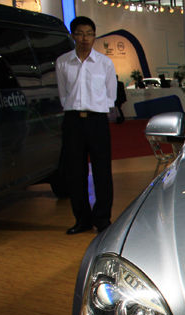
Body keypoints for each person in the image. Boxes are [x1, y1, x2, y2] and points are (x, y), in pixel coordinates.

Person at [55, 16, 117, 234]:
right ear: (73, 35)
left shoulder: (104, 63)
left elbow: (111, 94)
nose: (85, 38)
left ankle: (102, 219)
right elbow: (63, 93)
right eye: (80, 34)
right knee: (75, 172)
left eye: (89, 34)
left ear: (94, 36)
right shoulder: (63, 62)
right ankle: (82, 220)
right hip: (73, 121)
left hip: (97, 121)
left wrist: (98, 108)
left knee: (102, 171)